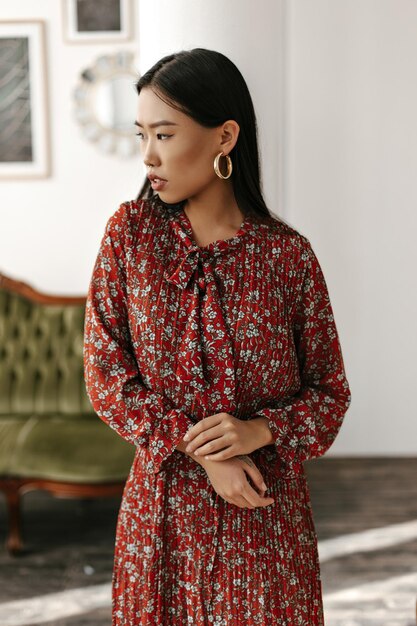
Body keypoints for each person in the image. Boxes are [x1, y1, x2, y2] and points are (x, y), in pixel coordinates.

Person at [83, 47, 351, 625]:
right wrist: (200, 449)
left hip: (265, 519)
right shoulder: (130, 237)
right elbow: (105, 374)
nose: (149, 156)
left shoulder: (286, 256)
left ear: (224, 137)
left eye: (165, 133)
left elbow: (330, 395)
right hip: (163, 514)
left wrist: (256, 431)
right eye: (141, 135)